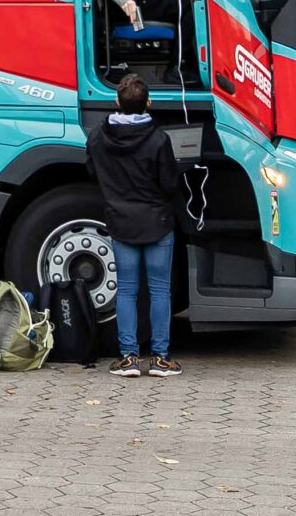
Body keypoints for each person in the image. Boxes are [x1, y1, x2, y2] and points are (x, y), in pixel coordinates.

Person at [86, 72, 187, 377]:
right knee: (159, 291)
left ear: (116, 101)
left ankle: (128, 357)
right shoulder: (158, 139)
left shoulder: (98, 137)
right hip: (157, 222)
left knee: (127, 290)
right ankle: (160, 358)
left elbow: (92, 172)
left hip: (121, 221)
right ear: (148, 104)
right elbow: (169, 183)